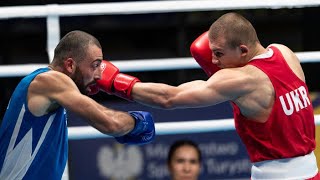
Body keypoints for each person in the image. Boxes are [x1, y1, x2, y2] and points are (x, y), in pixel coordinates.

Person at [93, 12, 320, 179]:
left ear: (243, 50)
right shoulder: (284, 52)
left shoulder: (243, 80)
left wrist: (114, 83)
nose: (213, 61)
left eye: (219, 54)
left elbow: (169, 98)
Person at [0, 30, 155, 180]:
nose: (99, 75)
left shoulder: (49, 88)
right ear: (70, 65)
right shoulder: (49, 81)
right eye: (95, 65)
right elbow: (111, 123)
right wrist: (138, 122)